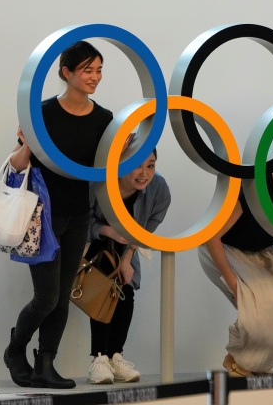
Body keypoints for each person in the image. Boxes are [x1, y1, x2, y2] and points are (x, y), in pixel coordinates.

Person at [5, 41, 113, 389]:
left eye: (98, 70)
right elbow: (17, 165)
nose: (95, 77)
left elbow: (103, 169)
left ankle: (45, 364)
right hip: (41, 216)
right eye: (87, 70)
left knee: (62, 295)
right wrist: (26, 144)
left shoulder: (104, 118)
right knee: (46, 298)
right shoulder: (42, 112)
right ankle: (15, 349)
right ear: (66, 72)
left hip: (78, 215)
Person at [198, 136, 273, 376]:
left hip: (263, 251)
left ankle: (251, 365)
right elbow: (212, 237)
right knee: (264, 306)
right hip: (224, 248)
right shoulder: (254, 186)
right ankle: (241, 361)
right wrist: (233, 282)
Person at [86, 148, 171, 384]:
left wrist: (128, 255)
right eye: (137, 165)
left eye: (151, 165)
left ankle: (115, 356)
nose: (144, 173)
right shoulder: (99, 183)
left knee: (126, 288)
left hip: (127, 246)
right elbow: (81, 221)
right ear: (121, 164)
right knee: (105, 288)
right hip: (94, 244)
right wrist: (107, 230)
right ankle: (99, 358)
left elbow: (149, 224)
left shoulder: (158, 188)